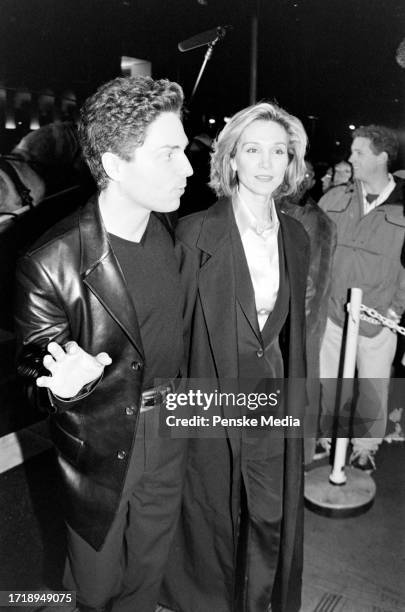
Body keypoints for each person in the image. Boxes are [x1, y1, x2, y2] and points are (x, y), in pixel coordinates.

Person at [14, 75, 193, 612]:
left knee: (150, 565)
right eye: (169, 155)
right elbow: (31, 373)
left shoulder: (168, 228)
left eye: (184, 151)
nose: (187, 168)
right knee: (92, 585)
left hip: (175, 423)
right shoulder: (51, 262)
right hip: (104, 445)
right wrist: (62, 387)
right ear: (115, 165)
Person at [161, 102, 310, 612]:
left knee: (270, 519)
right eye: (252, 149)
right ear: (231, 160)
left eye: (278, 151)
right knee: (211, 521)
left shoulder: (298, 235)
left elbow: (293, 334)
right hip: (210, 400)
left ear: (292, 162)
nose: (266, 163)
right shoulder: (195, 232)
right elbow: (174, 335)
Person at [318, 124, 405, 471]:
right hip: (332, 313)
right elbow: (316, 251)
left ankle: (365, 447)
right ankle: (327, 438)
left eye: (359, 152)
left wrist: (395, 308)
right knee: (327, 380)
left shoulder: (404, 207)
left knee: (372, 387)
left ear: (382, 157)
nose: (350, 158)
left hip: (378, 317)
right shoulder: (335, 198)